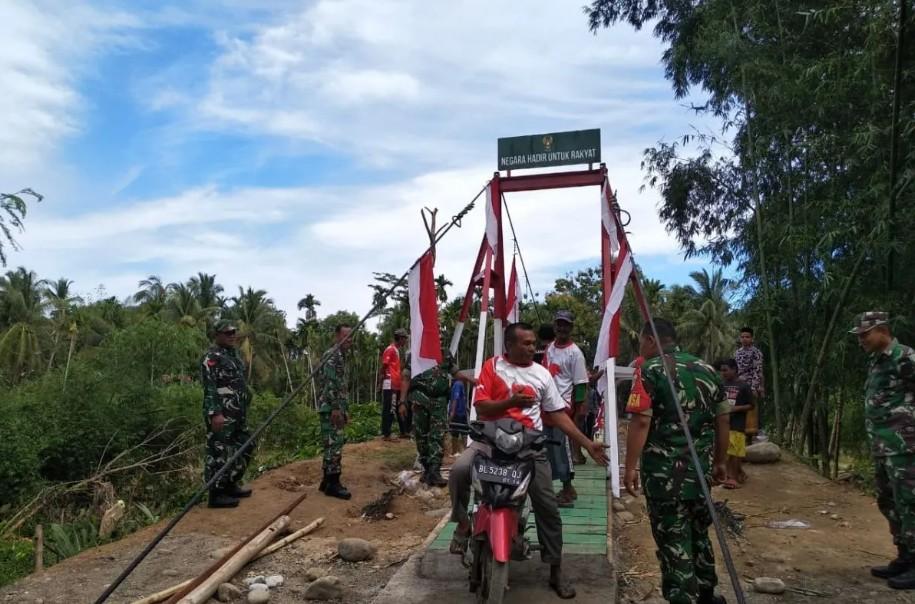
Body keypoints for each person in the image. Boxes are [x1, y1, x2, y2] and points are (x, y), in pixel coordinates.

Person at [448, 322, 609, 599]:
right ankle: (463, 524)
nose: (533, 348)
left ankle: (556, 570)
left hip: (529, 448)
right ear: (509, 345)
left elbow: (557, 413)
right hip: (489, 442)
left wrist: (586, 443)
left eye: (534, 343)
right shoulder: (492, 366)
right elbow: (481, 406)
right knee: (459, 471)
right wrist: (510, 403)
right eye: (526, 343)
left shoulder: (542, 375)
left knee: (548, 506)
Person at [624, 319, 730, 604]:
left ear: (649, 340)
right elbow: (723, 420)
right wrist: (721, 462)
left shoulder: (649, 371)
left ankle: (682, 598)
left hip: (664, 477)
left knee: (673, 541)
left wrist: (630, 467)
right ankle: (707, 594)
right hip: (700, 473)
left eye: (640, 342)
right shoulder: (708, 370)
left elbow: (640, 422)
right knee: (699, 534)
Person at [851, 312, 915, 589]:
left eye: (865, 334)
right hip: (883, 445)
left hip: (906, 446)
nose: (861, 340)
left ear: (882, 330)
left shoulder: (905, 357)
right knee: (889, 502)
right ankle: (904, 555)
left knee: (911, 503)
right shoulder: (878, 360)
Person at [401, 350, 475, 486]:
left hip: (439, 401)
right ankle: (427, 469)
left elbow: (456, 373)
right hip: (419, 399)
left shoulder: (445, 354)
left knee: (437, 435)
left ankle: (434, 471)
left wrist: (472, 380)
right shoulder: (416, 353)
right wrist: (402, 402)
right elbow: (405, 378)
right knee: (420, 435)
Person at [201, 320, 254, 508]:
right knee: (219, 452)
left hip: (237, 413)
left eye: (233, 332)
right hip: (222, 414)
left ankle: (231, 483)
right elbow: (210, 387)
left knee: (246, 444)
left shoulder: (234, 357)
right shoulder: (211, 357)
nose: (232, 335)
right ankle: (216, 493)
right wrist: (214, 413)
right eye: (227, 333)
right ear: (217, 335)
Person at [545, 310, 590, 505]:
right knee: (549, 449)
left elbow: (580, 384)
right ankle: (554, 487)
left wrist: (575, 412)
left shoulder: (575, 353)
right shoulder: (549, 348)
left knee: (563, 449)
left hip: (563, 408)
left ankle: (567, 489)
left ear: (571, 327)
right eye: (558, 324)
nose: (561, 328)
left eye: (565, 324)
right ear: (554, 326)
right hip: (546, 406)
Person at [317, 324, 353, 500]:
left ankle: (326, 481)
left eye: (351, 336)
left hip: (333, 406)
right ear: (337, 336)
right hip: (331, 408)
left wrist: (344, 409)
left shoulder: (340, 356)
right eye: (346, 336)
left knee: (331, 444)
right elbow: (331, 384)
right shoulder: (333, 356)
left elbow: (340, 386)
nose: (349, 340)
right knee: (334, 445)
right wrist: (337, 409)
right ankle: (333, 483)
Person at [718, 358, 754, 489]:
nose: (723, 373)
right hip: (723, 423)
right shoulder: (720, 385)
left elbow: (751, 405)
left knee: (734, 452)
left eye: (726, 370)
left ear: (734, 369)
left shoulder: (743, 386)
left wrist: (735, 408)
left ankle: (732, 478)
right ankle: (735, 474)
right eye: (721, 371)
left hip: (737, 424)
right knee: (726, 451)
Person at [734, 327, 764, 444]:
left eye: (747, 337)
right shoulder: (737, 352)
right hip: (739, 386)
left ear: (752, 338)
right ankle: (741, 436)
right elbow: (735, 370)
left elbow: (757, 370)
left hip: (751, 385)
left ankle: (752, 437)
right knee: (740, 411)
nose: (744, 339)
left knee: (752, 411)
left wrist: (754, 387)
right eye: (742, 337)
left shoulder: (756, 352)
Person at [380, 329, 409, 440]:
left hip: (396, 383)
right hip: (390, 383)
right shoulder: (390, 349)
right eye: (405, 338)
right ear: (400, 338)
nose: (405, 341)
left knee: (398, 407)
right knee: (390, 408)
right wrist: (382, 380)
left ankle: (403, 431)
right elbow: (384, 365)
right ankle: (386, 433)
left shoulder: (396, 350)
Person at [448, 375, 468, 457]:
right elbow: (457, 398)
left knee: (455, 432)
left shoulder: (458, 384)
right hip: (460, 412)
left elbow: (456, 398)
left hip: (458, 412)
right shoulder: (460, 385)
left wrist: (452, 412)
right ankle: (464, 450)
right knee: (463, 432)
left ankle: (455, 451)